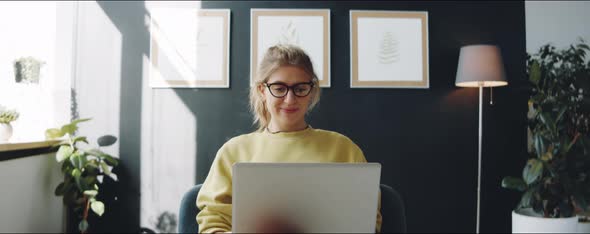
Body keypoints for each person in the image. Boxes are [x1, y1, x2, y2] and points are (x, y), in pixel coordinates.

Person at [196, 44, 382, 233]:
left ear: (311, 91)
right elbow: (213, 223)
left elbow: (368, 221)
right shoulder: (233, 152)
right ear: (262, 90)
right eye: (279, 88)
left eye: (300, 88)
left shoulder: (344, 149)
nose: (290, 99)